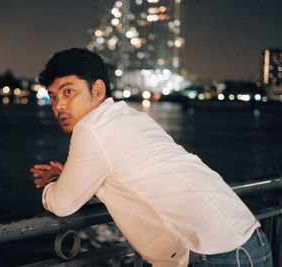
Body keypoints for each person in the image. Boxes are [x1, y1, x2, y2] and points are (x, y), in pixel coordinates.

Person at [30, 48, 273, 267]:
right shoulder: (130, 117)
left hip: (214, 255)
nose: (59, 105)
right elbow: (132, 172)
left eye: (68, 91)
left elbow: (62, 204)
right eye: (53, 97)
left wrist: (53, 185)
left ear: (98, 90)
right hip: (250, 242)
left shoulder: (91, 128)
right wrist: (71, 177)